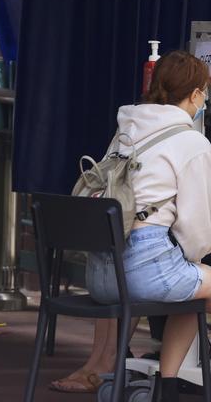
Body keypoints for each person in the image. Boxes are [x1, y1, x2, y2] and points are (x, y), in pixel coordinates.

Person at [75, 50, 211, 400]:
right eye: (205, 93)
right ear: (195, 93)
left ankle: (155, 384)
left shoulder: (125, 132)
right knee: (201, 280)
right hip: (142, 272)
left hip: (101, 276)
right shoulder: (192, 142)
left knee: (197, 289)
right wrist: (194, 258)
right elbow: (198, 233)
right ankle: (167, 384)